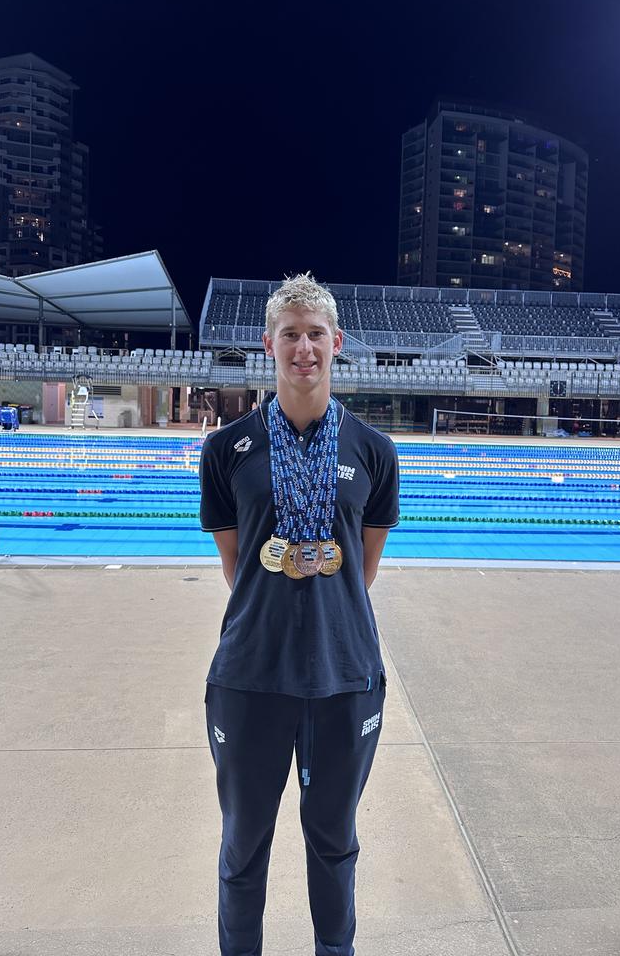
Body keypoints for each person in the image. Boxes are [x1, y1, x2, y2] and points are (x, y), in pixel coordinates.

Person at [199, 272, 400, 956]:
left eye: (316, 334)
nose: (304, 348)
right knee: (243, 846)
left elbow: (362, 568)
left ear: (337, 342)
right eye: (291, 335)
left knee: (334, 844)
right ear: (269, 344)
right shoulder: (226, 449)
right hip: (251, 677)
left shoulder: (374, 450)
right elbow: (238, 567)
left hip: (344, 678)